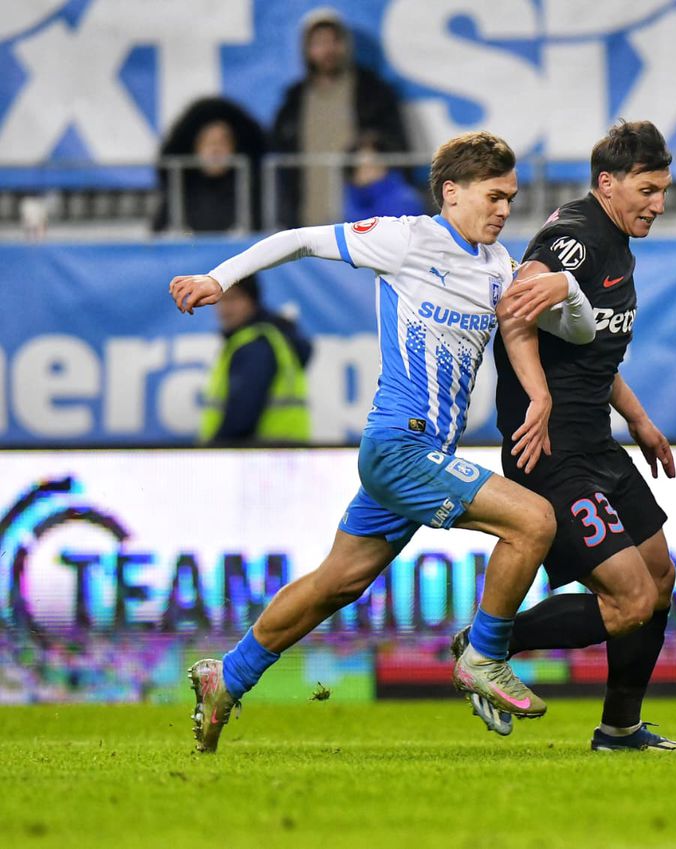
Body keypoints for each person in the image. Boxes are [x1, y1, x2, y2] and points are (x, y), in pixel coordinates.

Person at [169, 131, 598, 753]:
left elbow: (579, 334)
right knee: (533, 522)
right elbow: (298, 240)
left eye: (510, 198)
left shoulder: (501, 269)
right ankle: (484, 655)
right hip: (399, 448)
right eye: (494, 196)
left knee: (336, 583)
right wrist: (219, 278)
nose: (505, 210)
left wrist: (569, 290)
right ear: (452, 193)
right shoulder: (406, 239)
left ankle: (226, 677)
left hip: (426, 458)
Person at [453, 120, 676, 752]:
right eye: (648, 189)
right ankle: (487, 642)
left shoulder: (614, 240)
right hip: (552, 450)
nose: (658, 204)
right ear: (607, 183)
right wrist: (536, 395)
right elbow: (518, 305)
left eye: (664, 190)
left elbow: (595, 352)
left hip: (599, 443)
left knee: (659, 578)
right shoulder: (576, 238)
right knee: (629, 600)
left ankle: (620, 730)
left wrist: (639, 419)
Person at [271, 8, 412, 228]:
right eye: (318, 43)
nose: (328, 50)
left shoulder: (373, 92)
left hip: (365, 225)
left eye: (334, 41)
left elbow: (397, 149)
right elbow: (281, 167)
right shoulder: (293, 103)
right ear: (306, 49)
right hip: (307, 223)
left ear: (345, 44)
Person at [198, 274, 312, 445]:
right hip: (279, 457)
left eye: (233, 299)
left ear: (252, 301)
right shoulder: (265, 338)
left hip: (261, 460)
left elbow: (241, 419)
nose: (224, 308)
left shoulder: (255, 345)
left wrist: (211, 455)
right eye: (220, 300)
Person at [152, 97, 265, 233]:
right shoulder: (178, 196)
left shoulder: (254, 196)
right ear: (195, 148)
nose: (215, 150)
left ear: (235, 147)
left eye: (222, 142)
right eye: (208, 142)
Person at [343, 130, 428, 221]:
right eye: (358, 168)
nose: (363, 174)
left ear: (385, 167)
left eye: (370, 166)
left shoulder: (404, 200)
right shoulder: (351, 198)